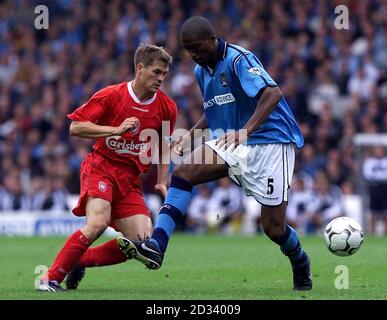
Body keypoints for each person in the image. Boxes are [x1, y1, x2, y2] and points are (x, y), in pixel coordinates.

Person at [117, 16, 312, 291]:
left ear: (212, 39)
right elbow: (213, 111)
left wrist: (245, 131)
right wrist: (191, 137)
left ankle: (300, 260)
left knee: (274, 228)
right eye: (188, 49)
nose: (193, 54)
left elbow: (273, 93)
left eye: (197, 47)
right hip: (233, 141)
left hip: (270, 142)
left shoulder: (238, 59)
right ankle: (157, 245)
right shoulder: (201, 71)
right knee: (184, 172)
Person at [38, 44, 177, 292]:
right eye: (156, 72)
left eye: (164, 74)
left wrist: (161, 180)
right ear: (140, 68)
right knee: (98, 223)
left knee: (141, 242)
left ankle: (78, 260)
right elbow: (76, 127)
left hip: (130, 178)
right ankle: (49, 279)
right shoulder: (112, 95)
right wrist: (115, 129)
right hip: (102, 167)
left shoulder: (167, 107)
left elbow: (165, 146)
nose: (161, 78)